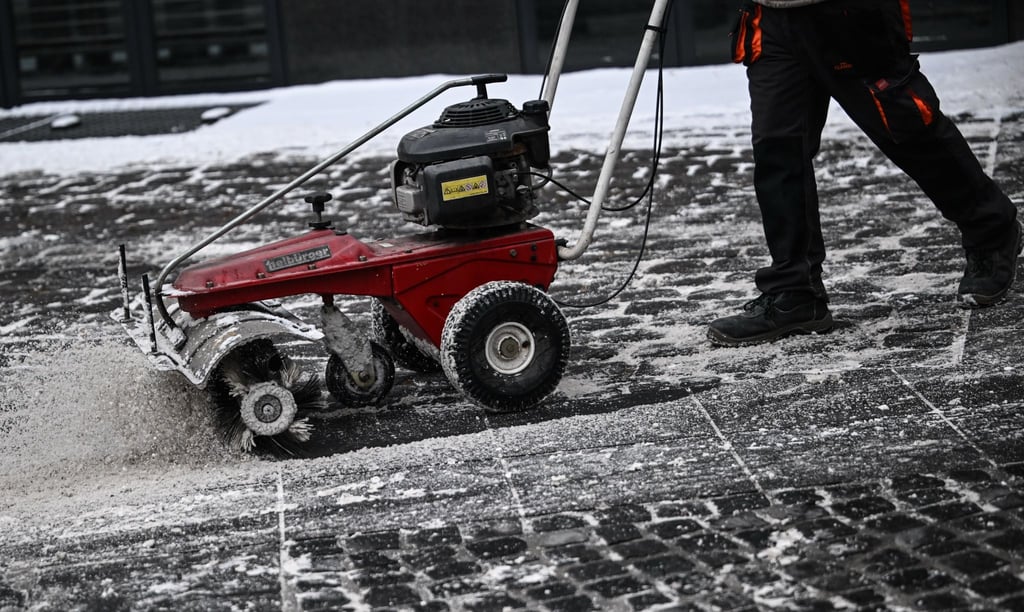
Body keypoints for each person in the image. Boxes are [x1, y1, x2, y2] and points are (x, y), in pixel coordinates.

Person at [708, 0, 1021, 346]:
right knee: (777, 151)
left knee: (907, 130)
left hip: (846, 13)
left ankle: (991, 228)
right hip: (771, 19)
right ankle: (794, 292)